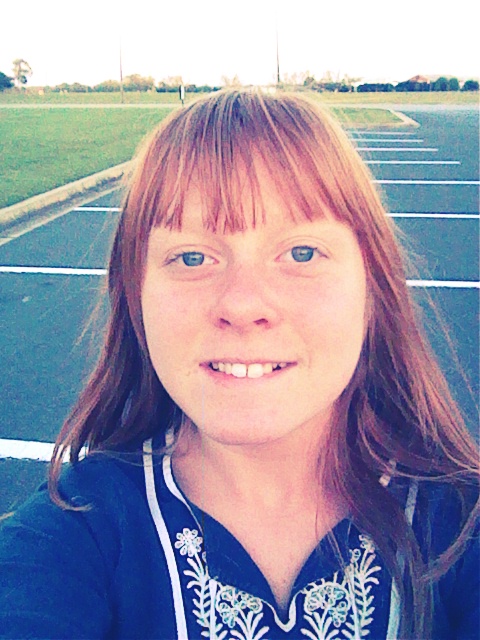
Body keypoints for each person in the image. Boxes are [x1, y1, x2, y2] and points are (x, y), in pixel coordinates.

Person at [0, 89, 478, 640]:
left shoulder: (461, 526)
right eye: (192, 257)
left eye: (301, 253)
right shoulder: (71, 533)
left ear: (373, 288)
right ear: (135, 294)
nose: (244, 304)